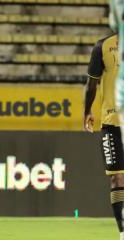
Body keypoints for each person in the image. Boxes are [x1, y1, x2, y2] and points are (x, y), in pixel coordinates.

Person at [84, 33, 124, 240]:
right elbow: (92, 83)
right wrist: (87, 111)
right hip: (112, 122)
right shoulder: (103, 46)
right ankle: (123, 233)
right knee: (117, 178)